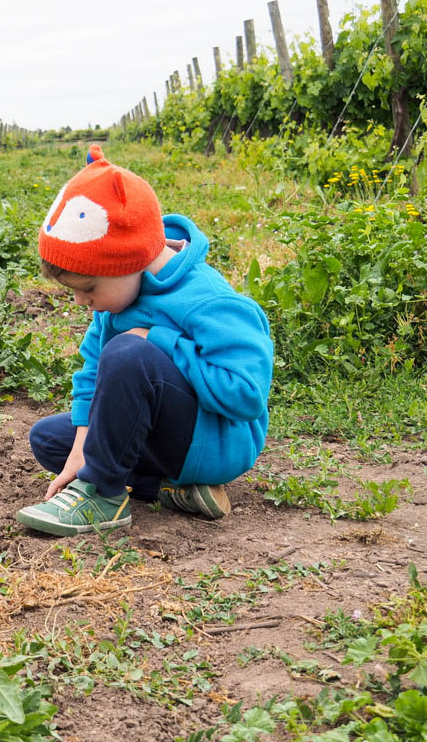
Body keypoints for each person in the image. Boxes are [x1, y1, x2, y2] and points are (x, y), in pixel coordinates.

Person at [15, 145, 273, 536]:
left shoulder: (209, 299)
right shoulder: (115, 303)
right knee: (50, 440)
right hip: (164, 440)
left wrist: (160, 341)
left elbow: (246, 395)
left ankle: (102, 495)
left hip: (214, 442)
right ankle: (170, 490)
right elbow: (90, 375)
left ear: (127, 263)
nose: (81, 301)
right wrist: (79, 451)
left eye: (87, 287)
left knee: (127, 353)